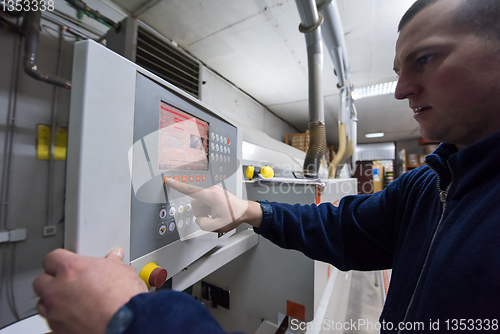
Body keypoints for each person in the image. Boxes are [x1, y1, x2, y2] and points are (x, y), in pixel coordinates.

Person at [33, 0, 500, 332]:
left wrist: (130, 317)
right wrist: (249, 210)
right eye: (398, 70)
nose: (401, 91)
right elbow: (345, 226)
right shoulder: (430, 185)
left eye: (424, 60)